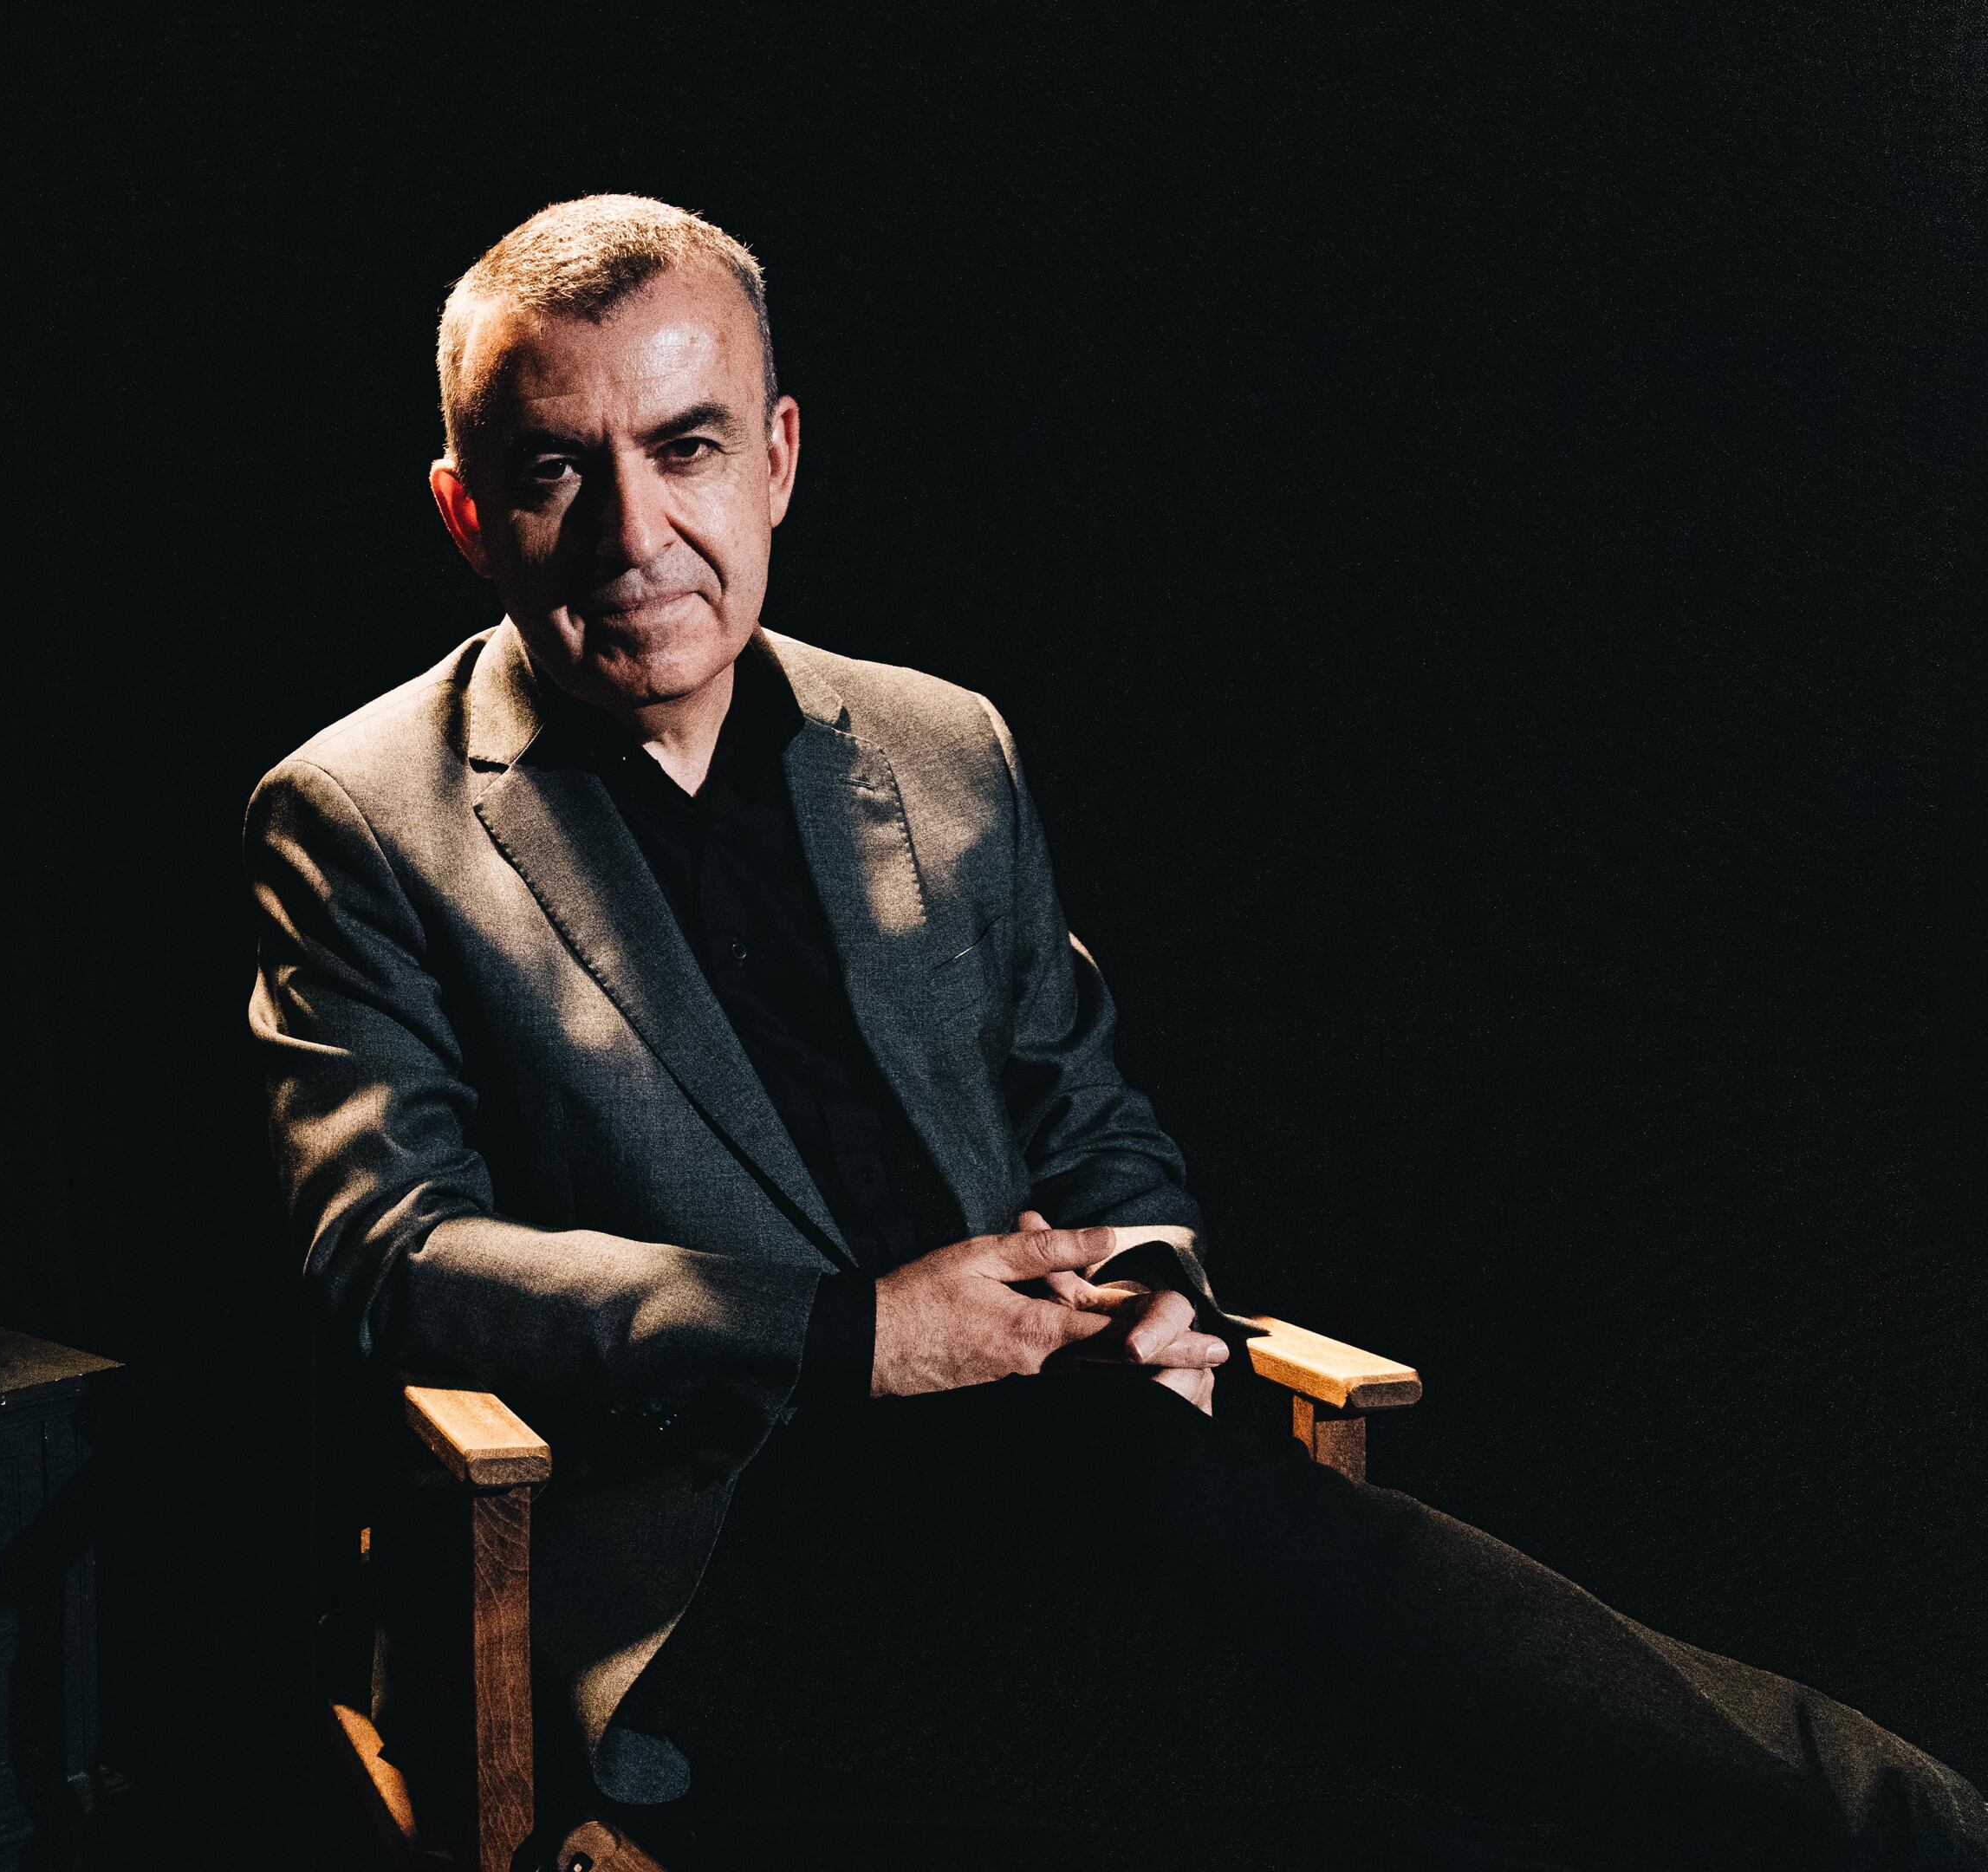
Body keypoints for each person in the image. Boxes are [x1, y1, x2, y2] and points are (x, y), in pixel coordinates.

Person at [244, 193, 1985, 1868]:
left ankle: (1916, 1831)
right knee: (1316, 1770)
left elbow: (1088, 1116)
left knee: (1504, 1691)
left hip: (1085, 1464)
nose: (634, 534)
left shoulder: (940, 747)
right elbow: (392, 1255)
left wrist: (1157, 1292)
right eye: (557, 470)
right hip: (725, 1571)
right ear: (466, 511)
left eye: (686, 447)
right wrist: (856, 1336)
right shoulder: (361, 816)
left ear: (776, 457)